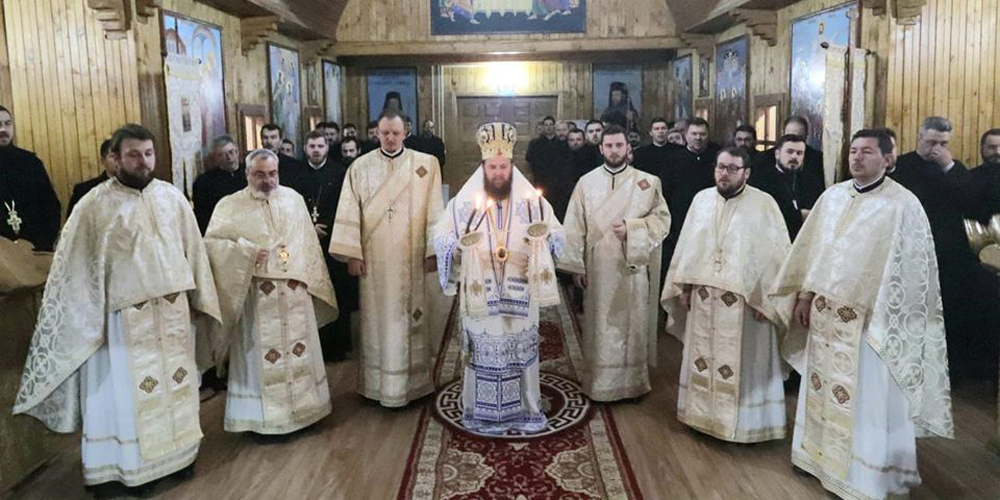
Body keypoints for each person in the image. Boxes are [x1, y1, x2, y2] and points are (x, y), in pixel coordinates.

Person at [13, 124, 221, 487]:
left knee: (176, 386)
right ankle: (122, 469)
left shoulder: (172, 198)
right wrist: (87, 319)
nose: (143, 162)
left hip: (173, 315)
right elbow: (74, 267)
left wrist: (202, 301)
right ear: (115, 158)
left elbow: (195, 253)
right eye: (133, 155)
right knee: (123, 397)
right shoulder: (93, 206)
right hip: (121, 323)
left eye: (148, 154)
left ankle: (179, 456)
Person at [771, 129, 954, 500]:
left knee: (867, 398)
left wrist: (885, 315)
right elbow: (814, 252)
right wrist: (804, 296)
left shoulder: (903, 205)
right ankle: (815, 458)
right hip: (825, 316)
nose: (856, 157)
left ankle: (864, 475)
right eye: (853, 151)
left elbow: (912, 275)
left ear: (887, 158)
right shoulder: (832, 197)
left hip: (870, 323)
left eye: (867, 152)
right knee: (820, 387)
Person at [433, 121, 564, 433]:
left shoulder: (532, 202)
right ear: (483, 167)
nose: (498, 173)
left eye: (503, 166)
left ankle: (526, 411)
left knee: (521, 351)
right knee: (483, 351)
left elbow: (558, 234)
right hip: (482, 291)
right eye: (492, 167)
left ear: (512, 166)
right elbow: (440, 235)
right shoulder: (464, 203)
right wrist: (457, 246)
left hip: (521, 290)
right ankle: (481, 413)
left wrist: (544, 241)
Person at [661, 147, 793, 443]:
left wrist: (768, 301)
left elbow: (776, 255)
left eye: (733, 169)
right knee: (703, 358)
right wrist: (684, 287)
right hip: (704, 300)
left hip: (746, 304)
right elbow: (688, 246)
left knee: (746, 364)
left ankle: (746, 426)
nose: (725, 173)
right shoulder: (701, 200)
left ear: (746, 173)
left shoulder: (764, 204)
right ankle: (700, 417)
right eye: (721, 167)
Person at [204, 148, 338, 435]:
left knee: (300, 351)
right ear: (247, 174)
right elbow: (213, 245)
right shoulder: (229, 205)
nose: (267, 180)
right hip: (256, 295)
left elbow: (307, 244)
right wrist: (245, 252)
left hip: (294, 292)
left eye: (272, 173)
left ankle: (306, 412)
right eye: (260, 175)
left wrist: (308, 280)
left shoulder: (293, 199)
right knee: (261, 356)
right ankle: (263, 421)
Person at [328, 109, 443, 407]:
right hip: (374, 260)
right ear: (376, 133)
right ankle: (377, 385)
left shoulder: (426, 165)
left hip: (412, 257)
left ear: (406, 132)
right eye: (385, 133)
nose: (390, 138)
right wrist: (352, 255)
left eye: (395, 133)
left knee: (411, 317)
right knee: (376, 322)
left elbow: (435, 210)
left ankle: (414, 384)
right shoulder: (360, 167)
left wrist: (433, 250)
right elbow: (348, 211)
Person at [560, 125, 671, 401]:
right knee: (600, 324)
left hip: (631, 267)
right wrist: (577, 267)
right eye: (609, 146)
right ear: (601, 149)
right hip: (598, 267)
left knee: (632, 323)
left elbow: (662, 220)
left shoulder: (647, 182)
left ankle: (633, 384)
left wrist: (633, 229)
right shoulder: (585, 183)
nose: (614, 150)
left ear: (628, 147)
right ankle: (600, 383)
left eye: (619, 145)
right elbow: (573, 226)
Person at [891, 116, 999, 382]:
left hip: (951, 254)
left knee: (958, 308)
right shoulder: (902, 167)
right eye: (932, 142)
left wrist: (949, 167)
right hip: (910, 250)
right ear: (919, 139)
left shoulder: (955, 169)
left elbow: (976, 208)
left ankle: (954, 371)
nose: (937, 149)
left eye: (943, 143)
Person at [297, 131, 356, 360]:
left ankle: (338, 347)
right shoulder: (295, 174)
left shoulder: (339, 173)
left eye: (320, 146)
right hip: (305, 241)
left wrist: (326, 227)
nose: (316, 150)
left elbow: (346, 206)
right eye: (312, 146)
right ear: (305, 148)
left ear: (327, 148)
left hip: (333, 240)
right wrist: (309, 227)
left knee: (337, 291)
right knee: (311, 293)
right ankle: (314, 347)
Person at [659, 117, 720, 278]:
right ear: (686, 136)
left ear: (708, 135)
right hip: (680, 221)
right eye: (694, 134)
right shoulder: (673, 160)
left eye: (702, 134)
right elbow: (665, 193)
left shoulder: (717, 158)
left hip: (710, 220)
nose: (698, 138)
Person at [0, 105, 61, 251]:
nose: (3, 129)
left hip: (35, 250)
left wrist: (42, 245)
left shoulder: (30, 162)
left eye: (8, 124)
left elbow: (51, 206)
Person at [748, 134, 826, 241]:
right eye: (790, 152)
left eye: (799, 153)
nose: (794, 156)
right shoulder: (761, 180)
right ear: (777, 154)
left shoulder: (811, 180)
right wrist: (799, 216)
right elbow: (766, 214)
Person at [192, 135, 247, 234]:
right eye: (221, 154)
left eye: (231, 152)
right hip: (221, 231)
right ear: (216, 158)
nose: (228, 157)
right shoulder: (204, 182)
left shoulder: (251, 173)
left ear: (237, 152)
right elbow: (202, 215)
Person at [526, 115, 574, 221]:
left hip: (559, 181)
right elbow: (530, 159)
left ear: (554, 127)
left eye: (551, 125)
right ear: (543, 127)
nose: (548, 127)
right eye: (546, 125)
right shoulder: (535, 143)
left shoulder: (562, 143)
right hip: (542, 179)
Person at [67, 138, 115, 219]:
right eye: (113, 156)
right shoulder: (84, 191)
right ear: (103, 161)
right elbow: (73, 223)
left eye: (122, 156)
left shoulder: (136, 188)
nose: (118, 160)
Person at [261, 123, 306, 191]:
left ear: (280, 141)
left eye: (273, 137)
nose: (269, 141)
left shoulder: (294, 166)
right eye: (265, 138)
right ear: (261, 141)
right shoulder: (252, 164)